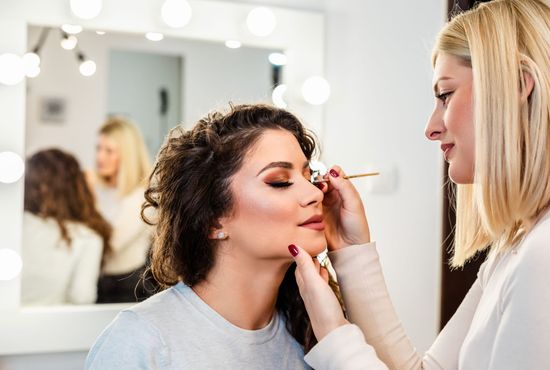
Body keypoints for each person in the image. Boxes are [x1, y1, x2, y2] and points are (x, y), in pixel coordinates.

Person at [290, 0, 550, 369]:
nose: (430, 128)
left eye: (445, 95)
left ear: (516, 85)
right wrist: (352, 254)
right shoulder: (515, 249)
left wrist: (334, 333)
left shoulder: (546, 255)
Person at [85, 104, 339, 369]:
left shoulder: (316, 333)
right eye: (280, 181)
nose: (316, 194)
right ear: (213, 219)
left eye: (310, 177)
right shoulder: (141, 343)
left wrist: (351, 255)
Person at [21, 149, 112, 305]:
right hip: (54, 326)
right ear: (76, 186)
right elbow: (82, 298)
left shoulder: (13, 225)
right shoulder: (87, 238)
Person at [88, 116, 154, 303]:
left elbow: (109, 244)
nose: (100, 157)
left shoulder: (142, 198)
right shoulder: (99, 191)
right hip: (99, 280)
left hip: (127, 287)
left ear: (128, 155)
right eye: (98, 149)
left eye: (109, 151)